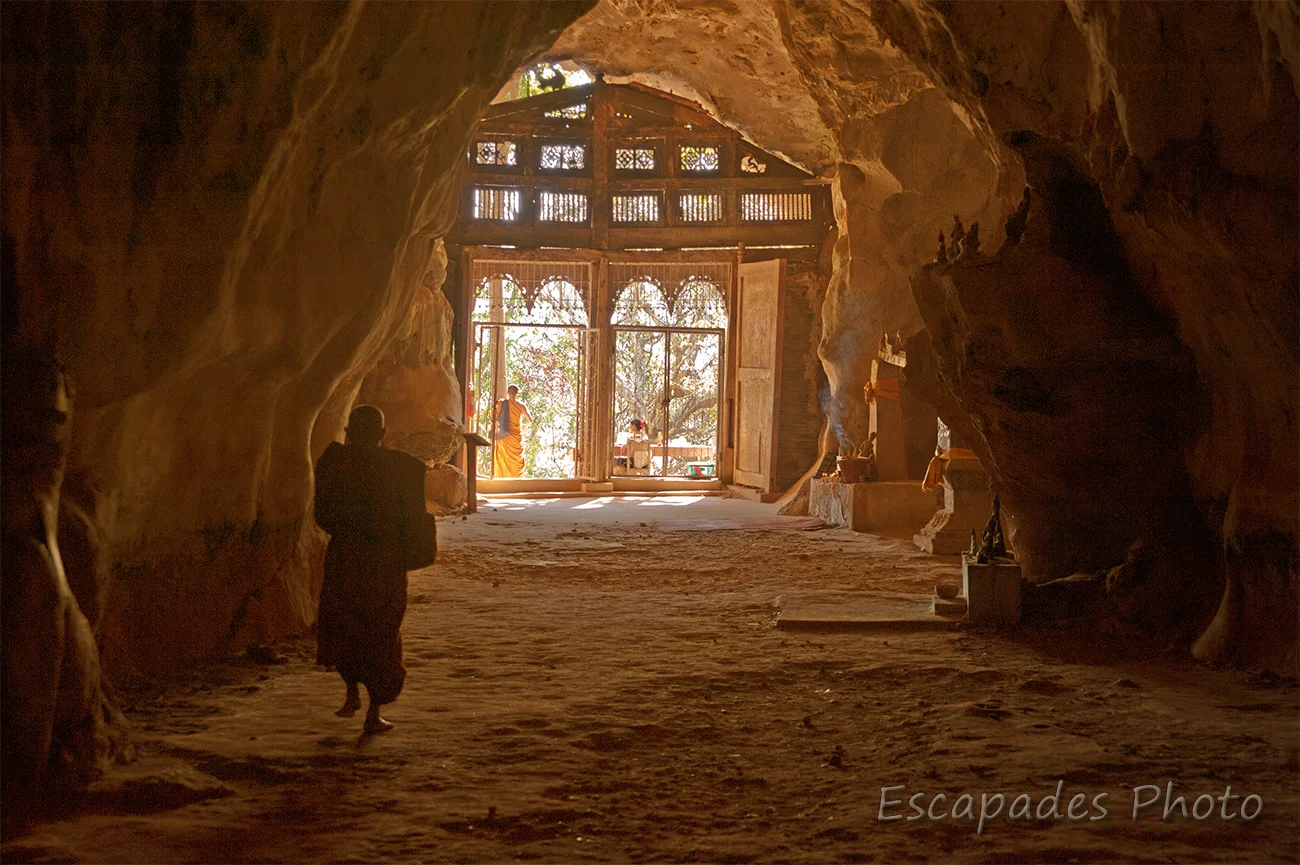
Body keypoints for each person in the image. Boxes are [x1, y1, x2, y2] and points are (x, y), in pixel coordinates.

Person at [313, 405, 427, 734]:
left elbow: (323, 515)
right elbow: (412, 521)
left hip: (346, 558)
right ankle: (373, 712)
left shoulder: (335, 465)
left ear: (348, 431)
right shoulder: (399, 469)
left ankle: (351, 694)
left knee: (344, 626)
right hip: (384, 562)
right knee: (381, 633)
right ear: (381, 435)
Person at [491, 384, 532, 478]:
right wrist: (523, 427)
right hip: (516, 436)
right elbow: (530, 420)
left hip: (504, 436)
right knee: (516, 462)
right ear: (517, 394)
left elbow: (494, 417)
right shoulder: (521, 406)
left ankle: (501, 480)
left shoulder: (501, 404)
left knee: (502, 458)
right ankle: (515, 480)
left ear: (507, 393)